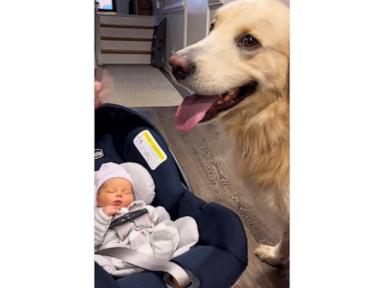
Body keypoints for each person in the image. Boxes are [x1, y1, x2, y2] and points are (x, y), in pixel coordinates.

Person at [94, 162, 199, 276]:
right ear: (98, 199)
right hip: (121, 250)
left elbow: (161, 219)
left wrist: (156, 216)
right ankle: (159, 257)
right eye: (111, 191)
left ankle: (160, 252)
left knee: (171, 227)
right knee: (107, 258)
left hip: (150, 239)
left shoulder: (142, 208)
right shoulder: (96, 216)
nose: (119, 194)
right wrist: (103, 216)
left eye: (126, 192)